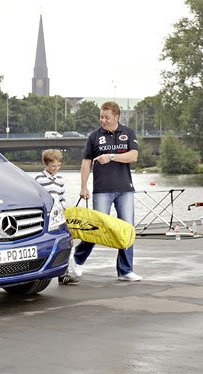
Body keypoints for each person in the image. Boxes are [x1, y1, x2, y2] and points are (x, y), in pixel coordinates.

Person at [70, 101, 142, 282]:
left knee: (127, 229)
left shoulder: (128, 133)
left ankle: (125, 270)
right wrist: (83, 186)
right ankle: (77, 260)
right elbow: (86, 162)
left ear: (116, 117)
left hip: (125, 189)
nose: (103, 120)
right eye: (101, 117)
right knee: (95, 228)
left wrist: (111, 157)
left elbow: (133, 156)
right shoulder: (94, 136)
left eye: (106, 117)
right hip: (101, 190)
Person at [34, 149, 78, 284]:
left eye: (58, 166)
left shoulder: (59, 180)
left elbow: (62, 197)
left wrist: (64, 210)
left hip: (58, 216)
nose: (56, 169)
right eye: (53, 166)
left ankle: (64, 273)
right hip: (47, 216)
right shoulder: (39, 179)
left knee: (65, 243)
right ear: (46, 164)